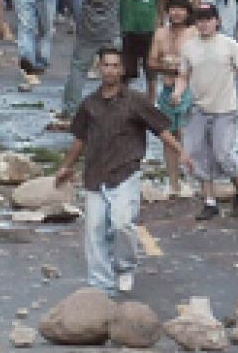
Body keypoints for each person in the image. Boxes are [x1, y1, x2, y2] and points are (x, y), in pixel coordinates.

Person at [55, 47, 193, 293]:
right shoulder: (89, 104)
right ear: (99, 69)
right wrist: (66, 166)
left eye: (114, 65)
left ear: (122, 70)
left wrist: (181, 152)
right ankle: (101, 283)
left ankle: (125, 266)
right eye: (105, 65)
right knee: (94, 229)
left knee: (122, 224)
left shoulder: (136, 100)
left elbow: (160, 128)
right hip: (95, 174)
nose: (109, 70)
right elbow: (79, 139)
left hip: (126, 171)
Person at [171, 3, 238, 221]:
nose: (204, 24)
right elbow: (183, 74)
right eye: (200, 19)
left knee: (222, 154)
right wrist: (177, 92)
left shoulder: (229, 45)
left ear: (217, 21)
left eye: (208, 19)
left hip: (225, 110)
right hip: (199, 109)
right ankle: (209, 201)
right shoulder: (189, 47)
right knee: (197, 154)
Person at [58, 0, 124, 125]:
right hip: (111, 29)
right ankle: (116, 106)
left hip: (88, 29)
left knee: (78, 69)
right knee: (114, 69)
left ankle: (70, 109)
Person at [149, 0, 197, 198]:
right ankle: (173, 183)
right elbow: (151, 62)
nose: (176, 13)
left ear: (187, 12)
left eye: (180, 9)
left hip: (190, 90)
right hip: (167, 90)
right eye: (172, 9)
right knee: (168, 136)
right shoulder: (160, 33)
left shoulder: (194, 32)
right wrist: (168, 67)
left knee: (189, 135)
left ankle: (192, 179)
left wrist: (181, 69)